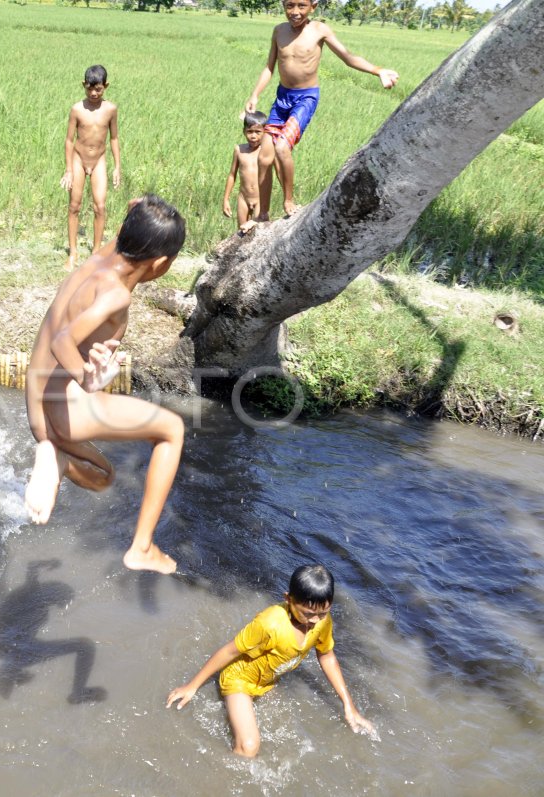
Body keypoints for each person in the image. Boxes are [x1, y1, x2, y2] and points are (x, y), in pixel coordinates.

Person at [24, 195, 186, 573]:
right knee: (173, 430)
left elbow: (132, 220)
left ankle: (56, 455)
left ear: (122, 231)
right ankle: (142, 548)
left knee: (103, 478)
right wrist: (87, 375)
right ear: (161, 264)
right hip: (63, 406)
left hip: (37, 401)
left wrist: (140, 207)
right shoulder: (114, 293)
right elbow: (61, 340)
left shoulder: (102, 254)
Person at [166, 564, 375, 757]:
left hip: (267, 682)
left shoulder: (322, 621)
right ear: (288, 599)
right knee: (249, 747)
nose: (314, 621)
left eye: (323, 613)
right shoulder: (270, 624)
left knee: (287, 740)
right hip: (238, 679)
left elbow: (327, 655)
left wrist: (349, 705)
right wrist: (192, 686)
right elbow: (229, 651)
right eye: (308, 614)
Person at [245, 0, 398, 217]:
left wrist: (378, 71)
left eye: (301, 6)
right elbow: (269, 67)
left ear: (313, 7)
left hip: (305, 98)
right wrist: (255, 94)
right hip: (282, 99)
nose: (295, 12)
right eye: (290, 6)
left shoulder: (319, 30)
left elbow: (348, 58)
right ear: (283, 5)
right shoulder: (278, 31)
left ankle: (289, 201)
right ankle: (263, 214)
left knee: (281, 148)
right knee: (264, 157)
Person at [61, 65, 122, 271]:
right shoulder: (77, 109)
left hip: (99, 160)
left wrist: (117, 167)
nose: (93, 93)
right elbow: (69, 140)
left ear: (106, 86)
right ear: (83, 85)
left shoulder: (111, 110)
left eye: (98, 89)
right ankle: (73, 253)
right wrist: (69, 169)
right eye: (89, 89)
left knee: (100, 206)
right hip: (78, 159)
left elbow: (114, 138)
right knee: (74, 206)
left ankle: (96, 253)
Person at [222, 111, 275, 236]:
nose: (253, 136)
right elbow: (232, 175)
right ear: (244, 131)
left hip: (260, 199)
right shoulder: (239, 150)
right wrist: (225, 200)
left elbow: (278, 171)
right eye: (250, 132)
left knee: (259, 233)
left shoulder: (267, 151)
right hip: (243, 199)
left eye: (258, 132)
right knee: (242, 233)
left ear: (264, 133)